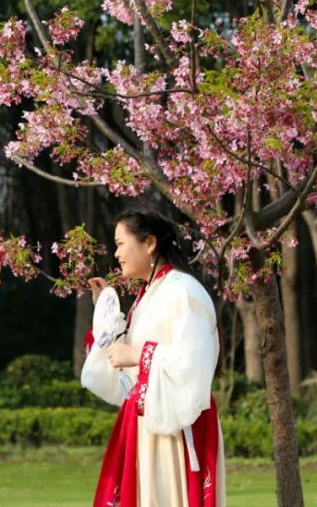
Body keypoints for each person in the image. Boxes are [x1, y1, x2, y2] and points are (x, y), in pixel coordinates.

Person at [82, 208, 226, 507]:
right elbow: (120, 364)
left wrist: (135, 354)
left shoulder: (182, 291)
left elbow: (193, 362)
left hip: (174, 426)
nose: (116, 252)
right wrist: (105, 311)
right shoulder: (150, 294)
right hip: (147, 423)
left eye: (121, 243)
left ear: (149, 243)